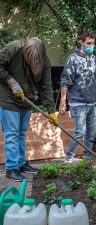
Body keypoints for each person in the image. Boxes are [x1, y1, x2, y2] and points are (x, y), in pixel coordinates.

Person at [0, 38, 58, 181]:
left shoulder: (44, 60)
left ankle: (20, 163)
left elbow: (45, 86)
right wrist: (11, 81)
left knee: (21, 132)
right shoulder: (13, 48)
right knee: (12, 133)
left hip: (27, 99)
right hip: (8, 97)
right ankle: (12, 168)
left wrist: (51, 110)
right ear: (25, 51)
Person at [59, 31, 96, 163]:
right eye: (88, 43)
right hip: (77, 102)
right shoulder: (73, 59)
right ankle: (68, 158)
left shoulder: (94, 59)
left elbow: (95, 80)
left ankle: (87, 158)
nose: (91, 46)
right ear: (81, 42)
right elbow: (65, 81)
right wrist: (62, 102)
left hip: (92, 102)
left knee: (90, 133)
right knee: (80, 132)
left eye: (92, 43)